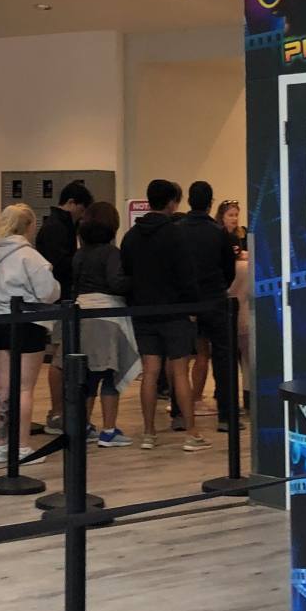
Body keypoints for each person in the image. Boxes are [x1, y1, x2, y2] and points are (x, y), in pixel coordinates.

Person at [122, 179, 209, 452]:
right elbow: (187, 275)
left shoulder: (131, 236)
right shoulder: (176, 234)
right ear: (172, 202)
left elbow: (126, 275)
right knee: (180, 372)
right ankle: (191, 433)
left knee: (150, 371)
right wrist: (193, 307)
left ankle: (149, 433)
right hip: (174, 311)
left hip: (143, 312)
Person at [0, 203, 59, 463]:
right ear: (28, 226)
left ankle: (1, 444)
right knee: (24, 388)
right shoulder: (29, 256)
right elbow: (47, 292)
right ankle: (22, 446)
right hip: (27, 323)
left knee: (2, 387)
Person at [73, 200, 141, 446]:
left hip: (82, 315)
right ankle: (109, 430)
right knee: (111, 374)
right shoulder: (111, 253)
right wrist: (135, 279)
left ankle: (83, 426)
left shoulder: (80, 253)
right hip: (108, 317)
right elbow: (116, 283)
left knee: (89, 376)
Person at [178, 181, 238, 433]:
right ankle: (226, 415)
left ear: (189, 201)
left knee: (180, 358)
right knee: (223, 357)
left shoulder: (178, 230)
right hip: (215, 299)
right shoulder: (218, 232)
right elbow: (229, 269)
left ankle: (180, 413)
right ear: (210, 203)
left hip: (185, 301)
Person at [35, 180, 91, 429]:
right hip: (60, 299)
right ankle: (57, 412)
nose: (82, 216)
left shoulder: (60, 225)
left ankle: (60, 411)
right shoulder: (57, 228)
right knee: (59, 357)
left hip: (63, 298)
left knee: (62, 355)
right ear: (71, 203)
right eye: (81, 209)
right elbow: (60, 264)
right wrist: (80, 260)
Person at [220, 200, 251, 414]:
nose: (234, 218)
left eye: (236, 215)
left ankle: (230, 400)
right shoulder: (244, 264)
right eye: (230, 215)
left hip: (236, 312)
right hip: (239, 313)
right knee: (244, 359)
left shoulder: (241, 243)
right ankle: (245, 398)